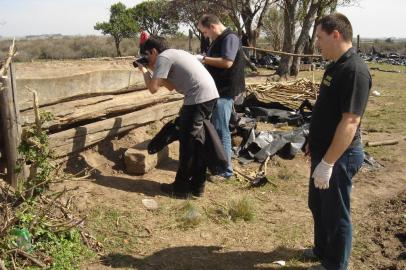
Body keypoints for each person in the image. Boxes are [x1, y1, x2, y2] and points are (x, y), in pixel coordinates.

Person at [305, 13, 371, 270]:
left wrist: (328, 162)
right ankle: (322, 250)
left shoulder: (355, 70)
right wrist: (314, 142)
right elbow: (326, 110)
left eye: (320, 38)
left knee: (336, 212)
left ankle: (335, 264)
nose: (318, 44)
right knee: (318, 205)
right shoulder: (335, 65)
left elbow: (350, 121)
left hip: (340, 155)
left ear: (336, 35)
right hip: (323, 150)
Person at [136, 37, 219, 198]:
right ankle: (197, 187)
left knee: (188, 146)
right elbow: (170, 86)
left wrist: (145, 71)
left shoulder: (163, 57)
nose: (147, 59)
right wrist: (154, 70)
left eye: (147, 56)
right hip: (208, 97)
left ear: (153, 51)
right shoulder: (174, 54)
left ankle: (180, 189)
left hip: (197, 100)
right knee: (197, 143)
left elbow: (153, 89)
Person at [197, 14, 246, 179]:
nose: (205, 35)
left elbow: (227, 62)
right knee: (217, 127)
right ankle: (218, 163)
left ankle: (225, 171)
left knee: (221, 128)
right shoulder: (220, 39)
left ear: (211, 26)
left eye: (204, 32)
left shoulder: (229, 38)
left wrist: (203, 59)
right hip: (219, 90)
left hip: (225, 91)